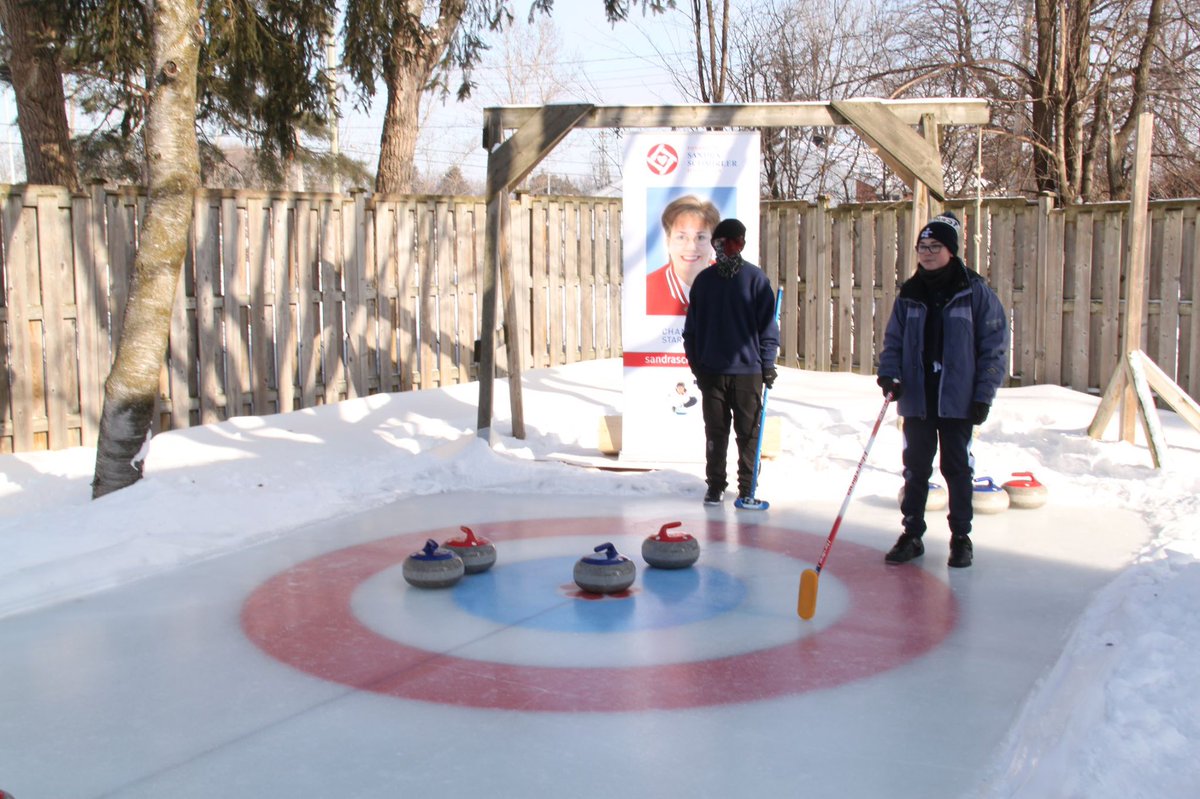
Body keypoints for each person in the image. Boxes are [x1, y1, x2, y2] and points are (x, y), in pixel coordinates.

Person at [876, 211, 1009, 568]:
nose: (928, 253)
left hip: (957, 399)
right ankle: (912, 533)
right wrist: (889, 374)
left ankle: (961, 537)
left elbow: (994, 346)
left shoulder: (974, 291)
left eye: (935, 246)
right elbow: (894, 341)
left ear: (951, 251)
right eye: (922, 246)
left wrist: (983, 394)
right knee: (915, 468)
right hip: (917, 398)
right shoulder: (910, 292)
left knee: (957, 468)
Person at [683, 218, 780, 506]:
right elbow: (691, 332)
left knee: (748, 434)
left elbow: (767, 329)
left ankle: (748, 486)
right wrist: (698, 367)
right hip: (712, 372)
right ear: (715, 245)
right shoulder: (704, 282)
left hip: (747, 372)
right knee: (715, 432)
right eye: (723, 244)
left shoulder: (755, 280)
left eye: (736, 243)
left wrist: (767, 364)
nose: (729, 249)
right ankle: (715, 485)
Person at [646, 195, 721, 315]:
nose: (691, 247)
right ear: (668, 241)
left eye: (700, 237)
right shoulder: (647, 289)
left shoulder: (734, 284)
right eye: (681, 237)